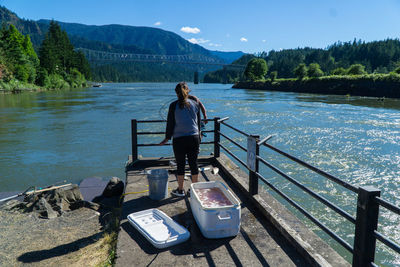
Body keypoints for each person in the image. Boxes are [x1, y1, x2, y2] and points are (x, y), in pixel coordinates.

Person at [159, 82, 205, 197]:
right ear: (187, 90)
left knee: (180, 164)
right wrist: (199, 135)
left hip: (179, 139)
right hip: (194, 138)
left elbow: (170, 124)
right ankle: (194, 191)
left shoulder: (173, 105)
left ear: (176, 92)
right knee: (193, 163)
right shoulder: (195, 103)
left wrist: (167, 138)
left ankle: (180, 190)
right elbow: (198, 123)